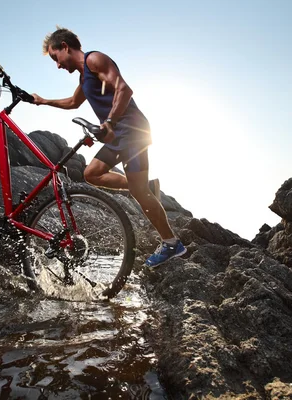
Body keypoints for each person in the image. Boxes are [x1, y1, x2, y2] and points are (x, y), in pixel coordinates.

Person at [31, 27, 186, 268]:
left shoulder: (94, 59)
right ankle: (150, 191)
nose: (58, 65)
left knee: (139, 194)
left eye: (55, 57)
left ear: (65, 46)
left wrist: (110, 122)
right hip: (117, 136)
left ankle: (171, 243)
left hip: (132, 131)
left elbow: (124, 89)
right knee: (91, 174)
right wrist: (43, 101)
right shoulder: (85, 77)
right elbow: (73, 103)